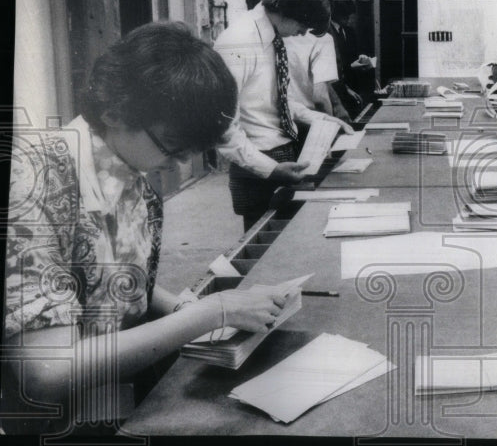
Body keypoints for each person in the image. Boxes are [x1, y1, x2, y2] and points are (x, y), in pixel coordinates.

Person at [3, 23, 286, 433]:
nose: (182, 163)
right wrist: (210, 312)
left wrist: (184, 309)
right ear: (114, 111)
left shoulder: (131, 179)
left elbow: (116, 279)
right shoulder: (33, 184)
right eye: (172, 146)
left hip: (111, 400)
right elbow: (45, 374)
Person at [215, 0, 352, 230]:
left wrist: (320, 117)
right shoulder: (240, 41)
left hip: (280, 153)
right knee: (261, 245)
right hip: (255, 161)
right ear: (289, 12)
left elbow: (276, 99)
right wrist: (270, 169)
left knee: (286, 237)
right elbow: (222, 126)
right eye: (303, 25)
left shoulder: (272, 36)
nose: (303, 33)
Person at [284, 29, 351, 122]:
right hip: (308, 121)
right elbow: (320, 96)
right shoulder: (322, 38)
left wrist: (337, 104)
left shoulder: (276, 32)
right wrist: (331, 128)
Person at [328, 0, 377, 117]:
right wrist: (351, 67)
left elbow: (352, 54)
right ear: (336, 14)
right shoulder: (329, 32)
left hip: (352, 83)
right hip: (338, 86)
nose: (349, 20)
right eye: (345, 16)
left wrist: (361, 58)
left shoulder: (349, 31)